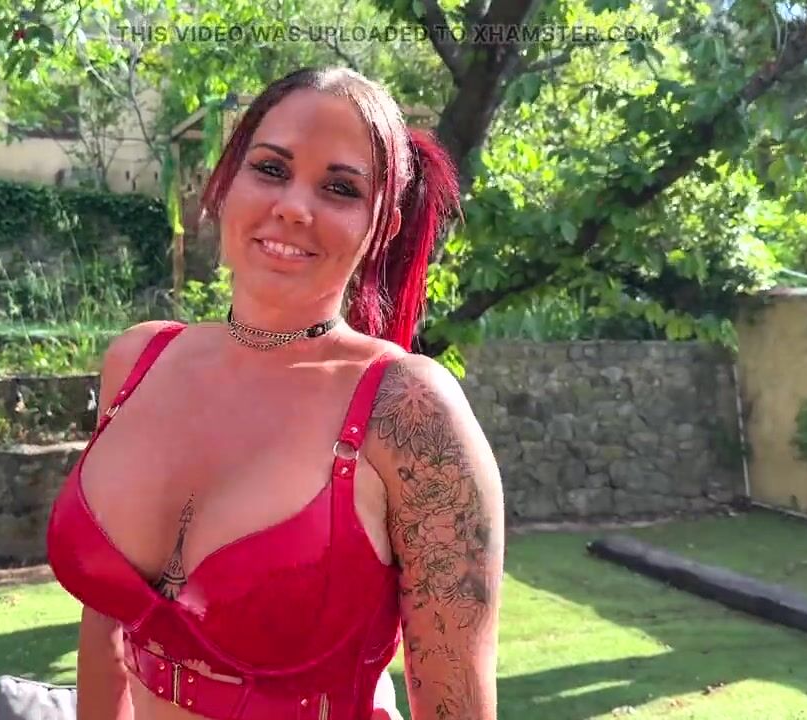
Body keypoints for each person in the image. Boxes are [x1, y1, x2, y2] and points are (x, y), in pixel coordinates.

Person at [46, 66, 505, 720]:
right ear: (224, 182)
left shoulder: (408, 412)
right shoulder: (139, 362)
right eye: (270, 168)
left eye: (340, 187)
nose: (293, 206)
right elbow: (105, 628)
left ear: (384, 226)